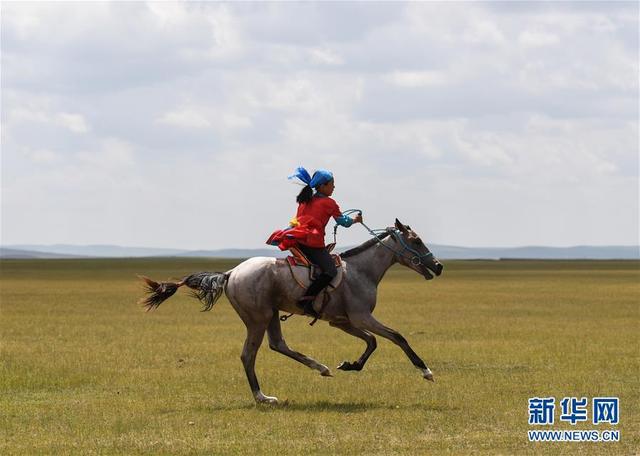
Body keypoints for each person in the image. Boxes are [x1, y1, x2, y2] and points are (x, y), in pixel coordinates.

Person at [267, 167, 362, 317]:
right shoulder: (329, 203)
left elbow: (297, 221)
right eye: (332, 184)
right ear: (323, 186)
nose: (334, 187)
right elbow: (343, 221)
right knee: (330, 270)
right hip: (312, 242)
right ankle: (307, 300)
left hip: (297, 240)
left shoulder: (305, 201)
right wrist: (355, 220)